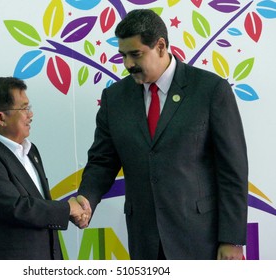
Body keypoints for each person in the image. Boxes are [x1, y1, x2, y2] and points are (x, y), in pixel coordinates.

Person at [75, 9, 248, 260]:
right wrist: (85, 200)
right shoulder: (115, 98)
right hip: (144, 239)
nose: (128, 64)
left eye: (136, 54)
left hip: (202, 238)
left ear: (160, 46)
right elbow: (103, 161)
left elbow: (232, 170)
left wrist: (232, 239)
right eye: (123, 55)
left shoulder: (210, 90)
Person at [0, 77, 88, 260]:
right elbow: (14, 208)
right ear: (1, 117)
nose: (31, 114)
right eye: (24, 108)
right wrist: (66, 209)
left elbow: (39, 204)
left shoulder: (31, 150)